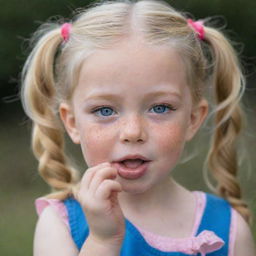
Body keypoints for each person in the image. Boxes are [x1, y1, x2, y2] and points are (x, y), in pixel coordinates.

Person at [20, 0, 256, 255]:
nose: (133, 132)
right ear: (73, 123)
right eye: (105, 111)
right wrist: (102, 241)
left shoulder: (229, 229)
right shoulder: (61, 225)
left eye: (160, 108)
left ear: (193, 119)